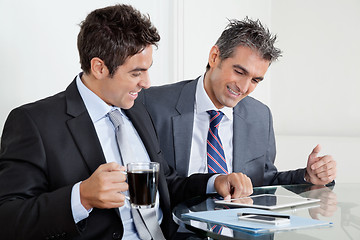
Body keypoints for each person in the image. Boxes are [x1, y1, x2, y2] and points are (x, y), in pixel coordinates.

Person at [0, 5, 253, 240]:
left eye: (147, 69)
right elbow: (8, 218)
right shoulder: (34, 122)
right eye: (136, 73)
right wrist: (81, 197)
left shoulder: (138, 109)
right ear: (99, 68)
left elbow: (166, 182)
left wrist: (214, 182)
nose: (147, 83)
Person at [140, 17, 337, 187]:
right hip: (179, 228)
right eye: (240, 72)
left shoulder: (260, 116)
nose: (244, 87)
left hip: (239, 227)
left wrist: (307, 176)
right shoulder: (152, 104)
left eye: (255, 80)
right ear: (215, 57)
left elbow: (263, 182)